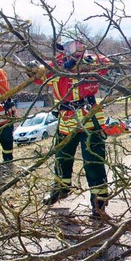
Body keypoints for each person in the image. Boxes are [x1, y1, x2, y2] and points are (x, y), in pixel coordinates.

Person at [31, 39, 111, 219]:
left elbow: (106, 63)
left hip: (91, 122)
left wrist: (88, 61)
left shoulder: (90, 61)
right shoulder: (56, 65)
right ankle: (60, 190)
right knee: (61, 159)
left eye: (81, 45)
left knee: (94, 163)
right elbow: (38, 78)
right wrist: (33, 70)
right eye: (75, 45)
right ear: (65, 47)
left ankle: (99, 205)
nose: (80, 48)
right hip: (66, 122)